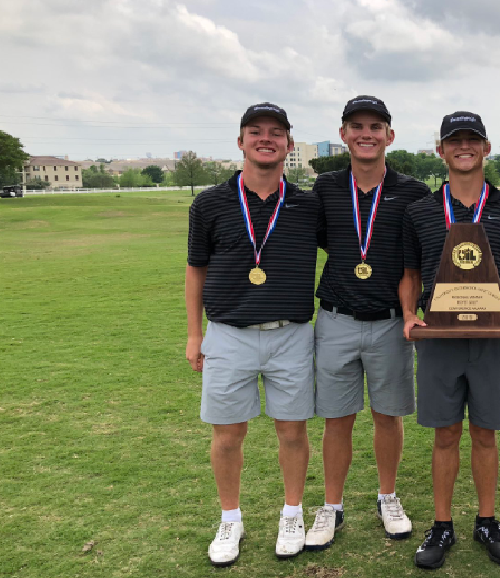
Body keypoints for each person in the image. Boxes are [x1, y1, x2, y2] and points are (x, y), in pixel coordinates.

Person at [185, 102, 321, 566]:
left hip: (291, 333)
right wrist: (192, 334)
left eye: (276, 132)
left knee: (292, 430)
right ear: (240, 141)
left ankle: (292, 512)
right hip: (227, 333)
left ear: (288, 144)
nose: (267, 139)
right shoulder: (210, 203)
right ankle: (230, 519)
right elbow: (195, 269)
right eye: (255, 131)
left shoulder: (307, 205)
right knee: (228, 435)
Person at [400, 112, 500, 569]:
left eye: (472, 140)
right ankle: (441, 525)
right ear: (440, 150)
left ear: (486, 147)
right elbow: (411, 272)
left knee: (485, 433)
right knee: (445, 433)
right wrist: (407, 313)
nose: (464, 147)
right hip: (439, 338)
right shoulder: (419, 211)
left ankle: (487, 520)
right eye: (454, 141)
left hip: (493, 337)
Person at [305, 95, 429, 550]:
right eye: (356, 125)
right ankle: (332, 506)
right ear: (342, 135)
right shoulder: (324, 189)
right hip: (336, 318)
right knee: (336, 418)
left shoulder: (412, 191)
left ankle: (387, 496)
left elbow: (422, 257)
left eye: (376, 126)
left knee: (387, 415)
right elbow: (317, 241)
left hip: (390, 322)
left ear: (390, 136)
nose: (366, 133)